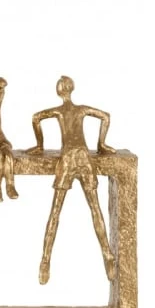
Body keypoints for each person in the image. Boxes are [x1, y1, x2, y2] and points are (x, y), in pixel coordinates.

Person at [27, 76, 116, 285]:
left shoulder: (59, 111)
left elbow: (36, 117)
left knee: (55, 211)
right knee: (95, 209)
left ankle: (45, 261)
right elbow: (105, 117)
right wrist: (101, 144)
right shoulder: (81, 109)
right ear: (71, 89)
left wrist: (39, 145)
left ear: (59, 91)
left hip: (68, 159)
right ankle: (107, 254)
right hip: (84, 157)